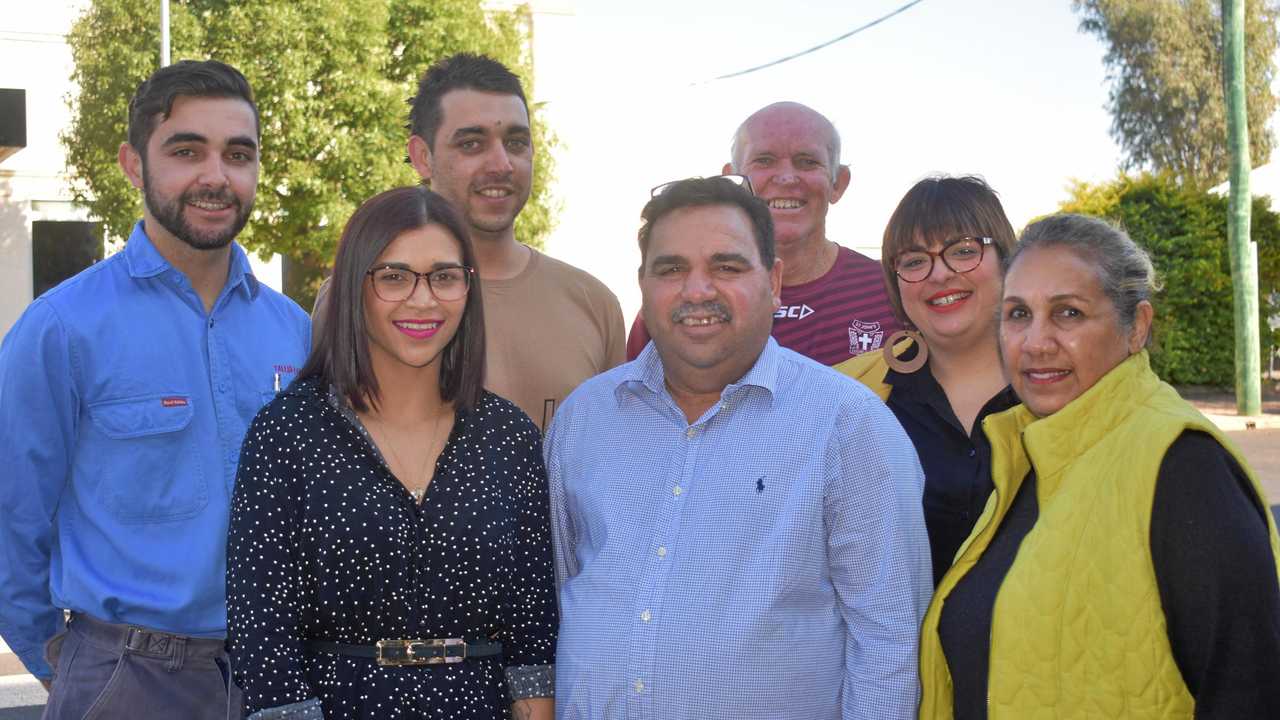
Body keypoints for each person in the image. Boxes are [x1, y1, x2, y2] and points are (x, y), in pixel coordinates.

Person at [547, 176, 931, 719]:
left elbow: (890, 645)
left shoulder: (851, 426)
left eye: (727, 267)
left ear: (774, 282)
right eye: (671, 268)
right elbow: (561, 593)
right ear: (643, 284)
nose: (697, 290)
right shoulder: (584, 419)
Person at [0, 60, 310, 718]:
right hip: (126, 681)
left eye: (238, 154)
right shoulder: (62, 330)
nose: (215, 176)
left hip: (279, 682)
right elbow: (10, 519)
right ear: (134, 165)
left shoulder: (298, 335)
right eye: (186, 150)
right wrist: (65, 665)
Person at [918, 214, 1280, 719]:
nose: (1036, 342)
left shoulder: (1183, 465)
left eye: (1068, 313)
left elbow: (1250, 690)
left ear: (1137, 328)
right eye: (1018, 314)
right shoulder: (1022, 457)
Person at [228, 186, 557, 720]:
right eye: (394, 276)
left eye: (445, 276)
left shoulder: (510, 438)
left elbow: (532, 623)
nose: (423, 299)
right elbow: (266, 635)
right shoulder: (287, 434)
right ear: (356, 286)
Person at [314, 53, 624, 431]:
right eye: (472, 144)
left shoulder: (594, 304)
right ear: (422, 156)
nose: (501, 164)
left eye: (515, 142)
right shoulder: (361, 297)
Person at [835, 176, 1019, 585]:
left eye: (964, 251)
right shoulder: (848, 398)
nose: (939, 274)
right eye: (915, 261)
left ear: (1008, 260)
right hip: (891, 647)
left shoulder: (1061, 388)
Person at [625, 102, 900, 366]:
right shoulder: (682, 305)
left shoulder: (890, 294)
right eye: (764, 160)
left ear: (838, 183)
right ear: (733, 180)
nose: (786, 177)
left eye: (807, 161)